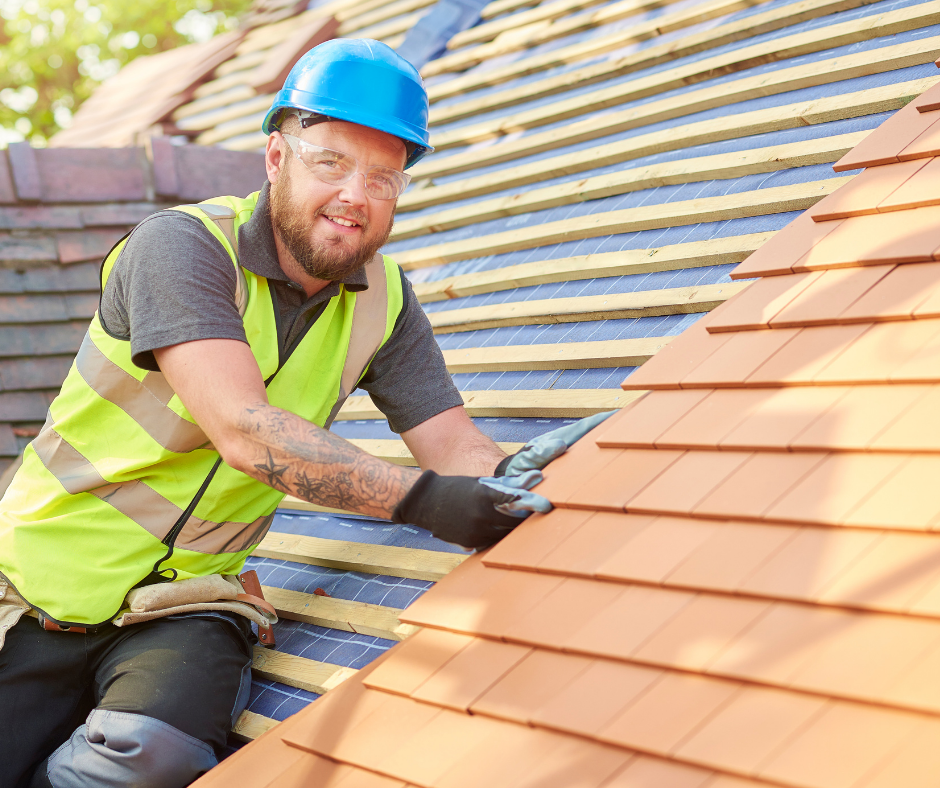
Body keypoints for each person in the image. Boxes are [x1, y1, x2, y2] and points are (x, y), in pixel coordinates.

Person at [0, 39, 607, 788]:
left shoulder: (385, 300)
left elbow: (452, 442)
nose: (356, 195)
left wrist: (507, 483)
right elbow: (244, 430)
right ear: (275, 158)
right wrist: (429, 503)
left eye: (383, 178)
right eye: (331, 164)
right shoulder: (182, 249)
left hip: (183, 603)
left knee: (151, 755)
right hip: (35, 592)